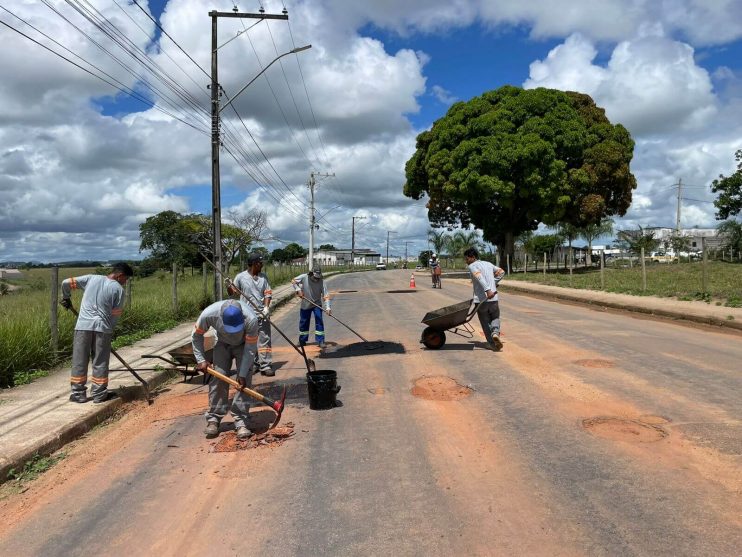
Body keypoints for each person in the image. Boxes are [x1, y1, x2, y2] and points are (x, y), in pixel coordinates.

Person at [61, 262, 134, 404]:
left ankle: (78, 394)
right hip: (103, 328)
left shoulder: (90, 279)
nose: (125, 282)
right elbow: (115, 315)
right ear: (119, 276)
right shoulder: (118, 290)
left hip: (83, 326)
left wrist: (66, 297)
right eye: (125, 279)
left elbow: (65, 282)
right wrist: (109, 331)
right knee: (100, 361)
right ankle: (99, 395)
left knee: (79, 360)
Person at [192, 299, 260, 439]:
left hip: (243, 345)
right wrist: (201, 360)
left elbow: (250, 349)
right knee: (219, 378)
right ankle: (214, 419)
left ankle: (241, 421)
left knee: (244, 381)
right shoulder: (208, 315)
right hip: (222, 343)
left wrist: (241, 373)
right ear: (221, 318)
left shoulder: (251, 319)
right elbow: (196, 336)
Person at [231, 252, 274, 376]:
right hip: (247, 316)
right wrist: (229, 286)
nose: (262, 265)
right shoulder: (240, 277)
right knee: (250, 340)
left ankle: (266, 365)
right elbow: (233, 293)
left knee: (265, 340)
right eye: (261, 263)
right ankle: (253, 364)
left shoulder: (264, 277)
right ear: (254, 264)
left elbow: (268, 293)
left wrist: (266, 308)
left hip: (262, 314)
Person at [464, 247, 505, 351]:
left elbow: (479, 277)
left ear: (472, 257)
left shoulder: (472, 266)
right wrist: (494, 283)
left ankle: (492, 344)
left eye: (467, 258)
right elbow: (502, 272)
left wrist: (488, 290)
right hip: (494, 298)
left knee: (485, 321)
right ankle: (495, 332)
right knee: (495, 317)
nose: (466, 261)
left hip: (481, 299)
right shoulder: (488, 263)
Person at [292, 267, 331, 348]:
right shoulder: (304, 277)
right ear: (310, 274)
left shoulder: (322, 282)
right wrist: (298, 290)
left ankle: (321, 341)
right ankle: (302, 340)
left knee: (319, 320)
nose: (316, 279)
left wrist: (328, 308)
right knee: (304, 322)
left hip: (317, 304)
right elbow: (293, 281)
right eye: (315, 277)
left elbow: (326, 295)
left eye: (318, 278)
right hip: (306, 303)